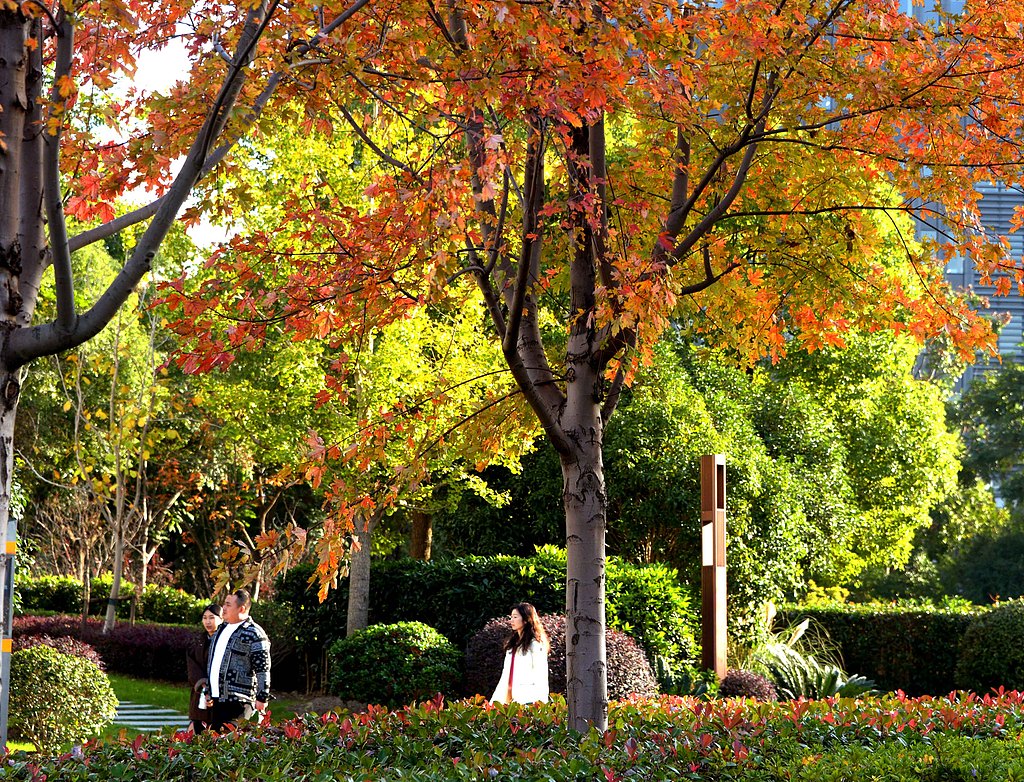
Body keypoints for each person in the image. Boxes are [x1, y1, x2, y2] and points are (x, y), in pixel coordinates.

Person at [207, 589, 272, 731]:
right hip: (218, 700)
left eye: (228, 604)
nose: (223, 608)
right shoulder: (221, 629)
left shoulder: (254, 633)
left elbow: (263, 669)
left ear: (241, 609)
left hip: (239, 702)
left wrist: (262, 697)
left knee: (232, 745)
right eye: (224, 603)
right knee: (214, 746)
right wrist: (209, 689)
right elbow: (215, 661)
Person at [490, 602, 550, 704]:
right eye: (511, 617)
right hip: (509, 698)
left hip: (528, 699)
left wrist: (540, 702)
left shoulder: (535, 644)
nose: (511, 620)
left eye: (515, 617)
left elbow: (541, 674)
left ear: (526, 619)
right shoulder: (512, 645)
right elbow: (506, 674)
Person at [186, 603, 222, 732]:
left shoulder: (225, 641)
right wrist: (203, 684)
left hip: (220, 694)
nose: (208, 622)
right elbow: (192, 665)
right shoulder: (199, 641)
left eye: (212, 618)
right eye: (205, 618)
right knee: (197, 728)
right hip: (200, 693)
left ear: (221, 619)